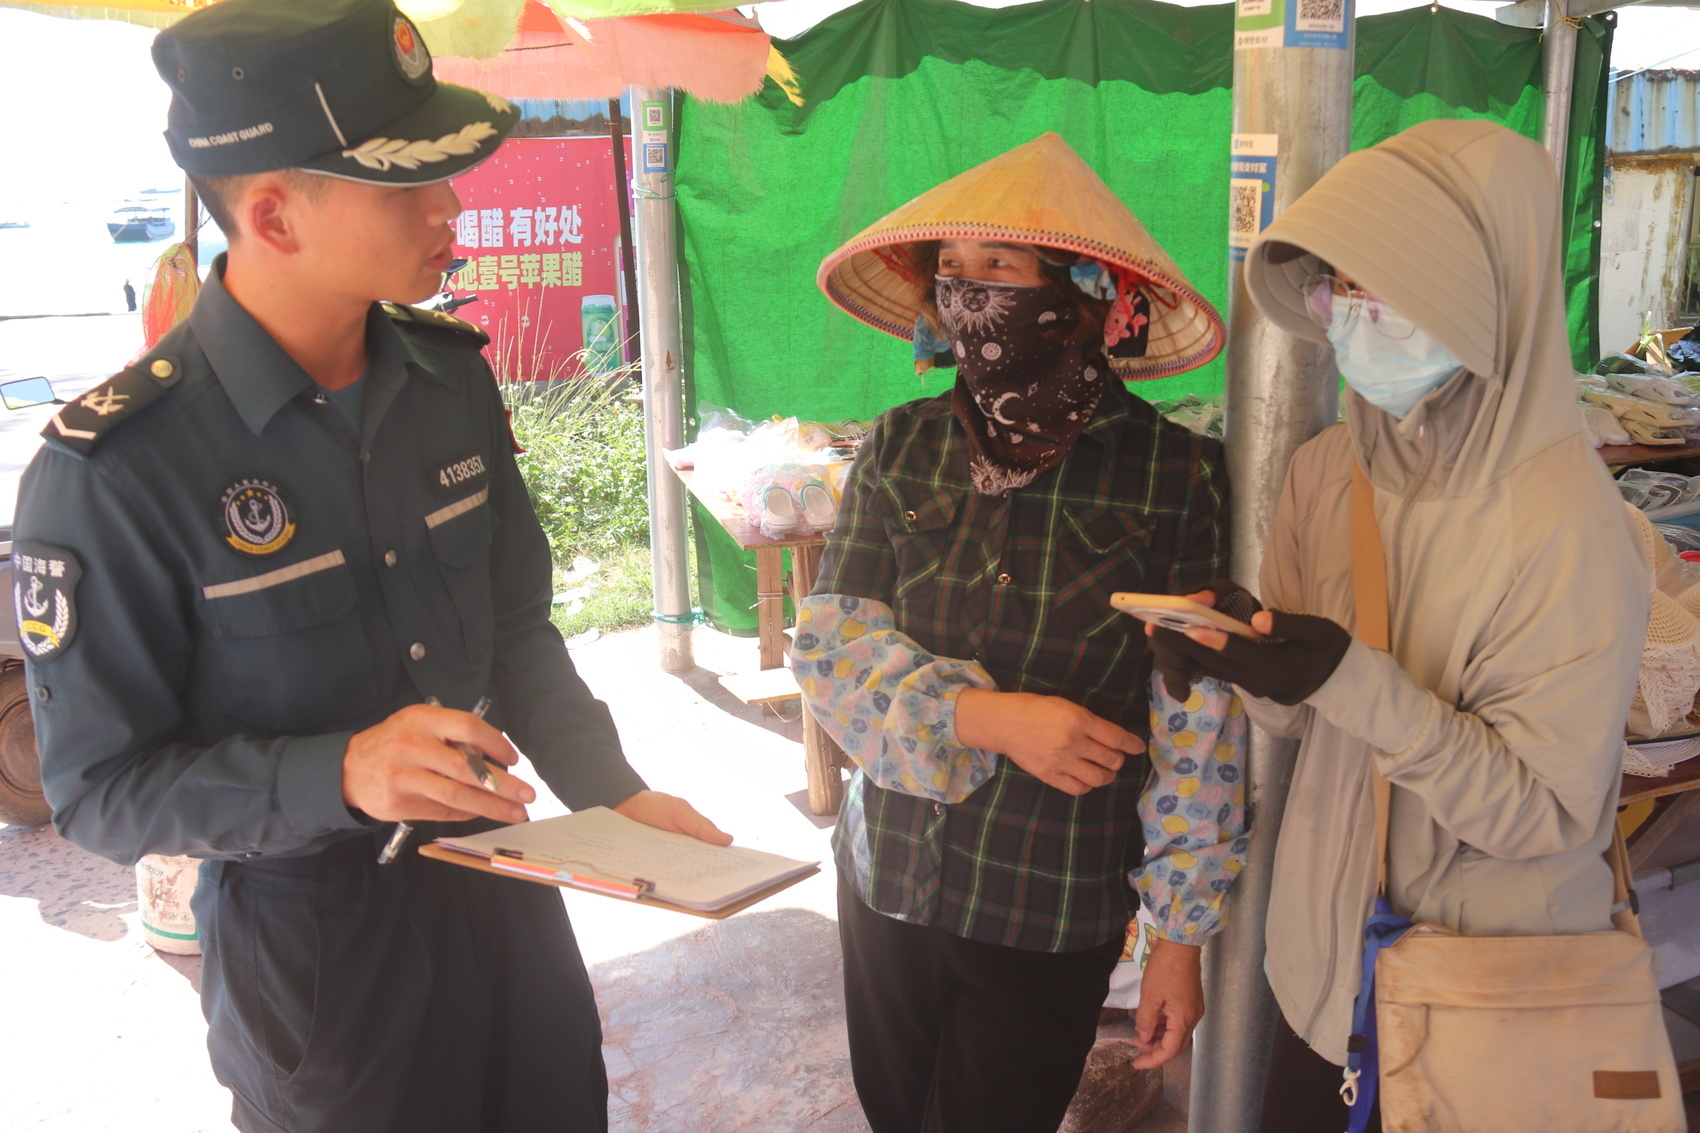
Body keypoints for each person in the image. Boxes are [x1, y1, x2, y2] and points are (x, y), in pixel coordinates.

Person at [14, 1, 728, 1129]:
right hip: (314, 954)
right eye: (406, 184)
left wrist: (613, 790)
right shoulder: (116, 468)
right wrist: (338, 772)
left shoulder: (450, 378)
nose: (451, 207)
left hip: (507, 889)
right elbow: (101, 792)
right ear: (272, 213)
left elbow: (515, 630)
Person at [1148, 119, 1648, 1131]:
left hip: (1478, 995)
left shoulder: (1571, 527)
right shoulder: (1327, 472)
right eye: (1335, 282)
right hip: (1319, 979)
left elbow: (1542, 817)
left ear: (1487, 291)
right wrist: (1240, 656)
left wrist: (1348, 678)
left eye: (1383, 283)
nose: (1346, 312)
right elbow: (1297, 718)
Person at [795, 133, 1247, 1133]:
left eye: (999, 265)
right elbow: (829, 647)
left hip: (1051, 901)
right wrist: (984, 716)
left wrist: (1177, 937)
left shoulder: (1174, 475)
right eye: (951, 268)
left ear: (1078, 295)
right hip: (886, 878)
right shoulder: (902, 444)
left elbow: (1199, 725)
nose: (969, 294)